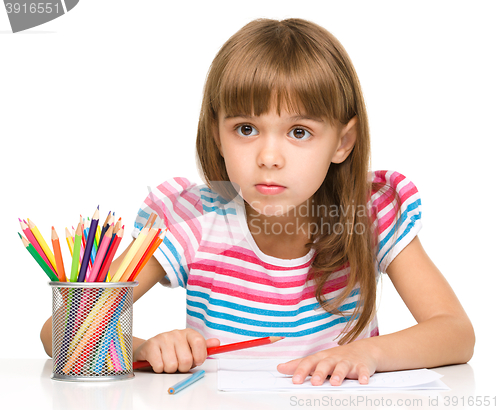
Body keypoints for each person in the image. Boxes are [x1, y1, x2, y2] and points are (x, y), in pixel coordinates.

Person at [40, 18, 475, 386]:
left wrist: (369, 355)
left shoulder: (369, 214)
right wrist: (144, 349)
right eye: (246, 129)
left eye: (299, 132)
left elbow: (455, 333)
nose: (269, 157)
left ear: (342, 142)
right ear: (218, 135)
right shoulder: (194, 220)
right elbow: (63, 331)